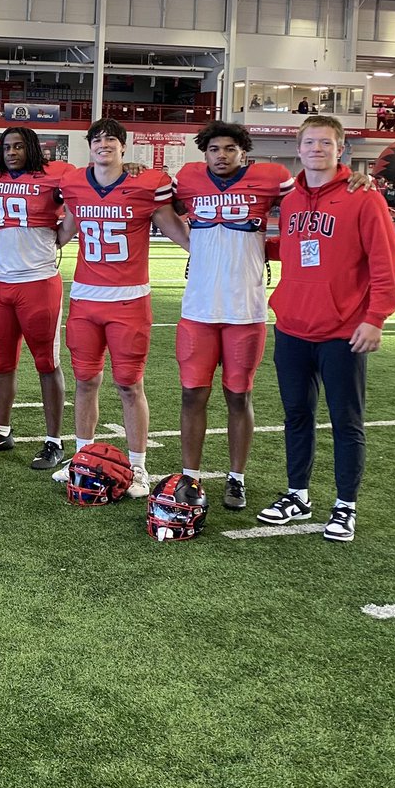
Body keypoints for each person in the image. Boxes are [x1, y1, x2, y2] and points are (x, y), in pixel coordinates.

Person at [258, 115, 395, 542]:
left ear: (341, 149)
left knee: (346, 419)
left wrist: (375, 318)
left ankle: (344, 505)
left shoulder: (364, 196)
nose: (316, 149)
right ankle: (297, 494)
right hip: (294, 326)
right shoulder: (293, 198)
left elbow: (384, 262)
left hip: (344, 331)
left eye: (325, 142)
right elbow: (297, 249)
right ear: (297, 148)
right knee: (296, 415)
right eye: (309, 142)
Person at [53, 118, 189, 497]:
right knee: (85, 381)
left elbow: (177, 229)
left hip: (129, 300)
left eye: (111, 139)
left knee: (129, 385)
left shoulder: (146, 184)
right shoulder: (75, 184)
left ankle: (139, 466)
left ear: (124, 147)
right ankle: (82, 454)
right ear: (89, 147)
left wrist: (208, 255)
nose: (104, 144)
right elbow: (64, 230)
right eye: (97, 140)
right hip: (84, 297)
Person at [172, 122, 293, 509]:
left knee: (238, 396)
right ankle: (189, 475)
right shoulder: (188, 179)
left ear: (244, 152)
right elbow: (154, 202)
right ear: (203, 154)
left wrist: (271, 248)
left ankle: (236, 477)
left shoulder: (272, 179)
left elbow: (306, 211)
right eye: (213, 149)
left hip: (245, 309)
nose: (220, 155)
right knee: (192, 394)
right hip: (198, 309)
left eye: (229, 149)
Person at [0, 126, 69, 470]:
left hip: (38, 281)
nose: (11, 152)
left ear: (32, 148)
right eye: (6, 147)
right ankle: (1, 430)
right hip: (0, 282)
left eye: (18, 146)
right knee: (1, 362)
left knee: (47, 362)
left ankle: (53, 440)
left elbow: (84, 195)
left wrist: (63, 234)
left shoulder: (56, 174)